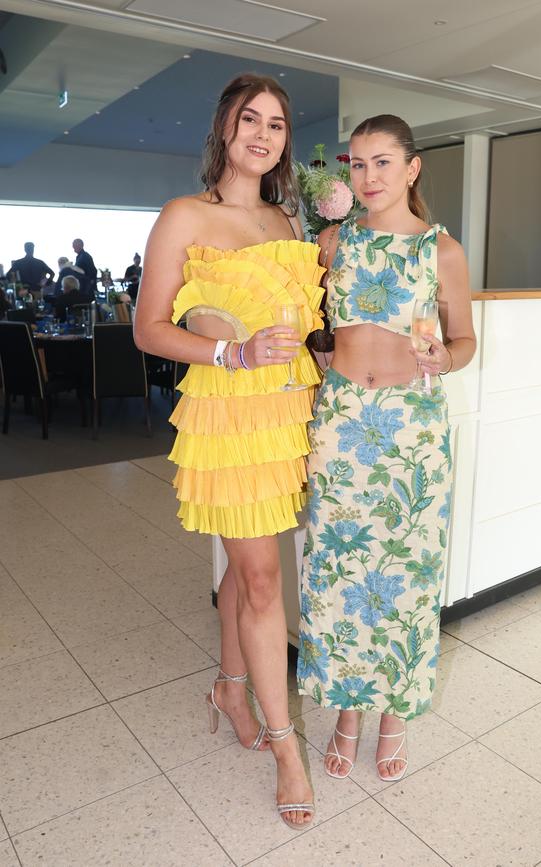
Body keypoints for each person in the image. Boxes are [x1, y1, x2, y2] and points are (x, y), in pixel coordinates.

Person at [134, 73, 325, 830]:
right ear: (224, 127)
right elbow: (151, 329)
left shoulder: (285, 223)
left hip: (281, 420)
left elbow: (298, 330)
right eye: (251, 119)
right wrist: (230, 357)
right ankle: (286, 749)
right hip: (223, 412)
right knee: (260, 578)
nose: (264, 134)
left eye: (277, 124)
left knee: (246, 577)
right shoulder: (185, 216)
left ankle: (228, 686)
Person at [297, 114, 476, 783]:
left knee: (405, 582)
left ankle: (394, 713)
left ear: (411, 168)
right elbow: (312, 326)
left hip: (412, 431)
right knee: (339, 580)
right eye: (358, 165)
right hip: (342, 423)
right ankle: (347, 712)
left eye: (382, 163)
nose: (368, 178)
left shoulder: (442, 250)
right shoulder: (331, 242)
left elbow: (464, 341)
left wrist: (442, 357)